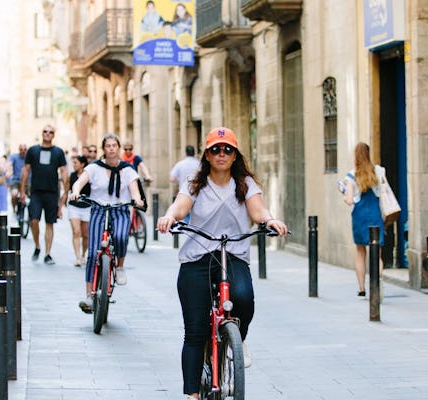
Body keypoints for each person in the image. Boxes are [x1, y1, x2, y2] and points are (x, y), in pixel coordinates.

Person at [156, 127, 289, 400]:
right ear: (207, 154)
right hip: (197, 257)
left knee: (244, 298)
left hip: (233, 254)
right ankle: (192, 394)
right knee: (195, 331)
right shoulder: (195, 181)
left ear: (235, 154)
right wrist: (170, 217)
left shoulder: (245, 183)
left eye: (227, 149)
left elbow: (257, 209)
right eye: (215, 149)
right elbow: (181, 206)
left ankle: (237, 340)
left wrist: (270, 220)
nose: (221, 154)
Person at [70, 133, 145, 313]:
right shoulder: (94, 168)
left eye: (114, 145)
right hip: (99, 210)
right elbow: (80, 182)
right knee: (92, 253)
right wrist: (75, 191)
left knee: (120, 236)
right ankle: (89, 295)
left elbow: (134, 190)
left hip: (120, 210)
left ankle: (119, 266)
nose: (111, 148)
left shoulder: (127, 170)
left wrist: (137, 200)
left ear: (118, 148)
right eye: (108, 145)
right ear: (103, 149)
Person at [341, 142, 384, 299]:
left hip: (359, 216)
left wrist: (344, 193)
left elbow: (350, 200)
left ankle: (361, 288)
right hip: (375, 215)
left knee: (360, 252)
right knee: (377, 253)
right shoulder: (378, 172)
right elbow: (384, 193)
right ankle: (377, 284)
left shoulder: (351, 176)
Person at [20, 125, 68, 265]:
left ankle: (47, 253)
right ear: (42, 133)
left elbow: (64, 171)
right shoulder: (33, 150)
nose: (47, 134)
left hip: (52, 192)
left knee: (49, 223)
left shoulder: (58, 152)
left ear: (54, 135)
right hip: (36, 192)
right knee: (33, 220)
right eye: (45, 131)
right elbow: (26, 170)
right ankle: (37, 246)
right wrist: (22, 191)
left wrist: (66, 189)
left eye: (50, 132)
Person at [67, 155, 91, 267]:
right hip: (74, 207)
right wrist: (60, 206)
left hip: (86, 207)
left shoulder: (89, 175)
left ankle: (83, 254)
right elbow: (67, 190)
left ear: (82, 164)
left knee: (85, 235)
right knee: (76, 232)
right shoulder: (71, 175)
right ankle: (77, 257)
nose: (74, 165)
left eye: (76, 163)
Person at [9, 144, 27, 212]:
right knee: (14, 194)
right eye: (21, 149)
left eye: (24, 150)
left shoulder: (29, 157)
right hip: (16, 180)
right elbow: (9, 164)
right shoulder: (14, 157)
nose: (23, 151)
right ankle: (14, 209)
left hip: (27, 181)